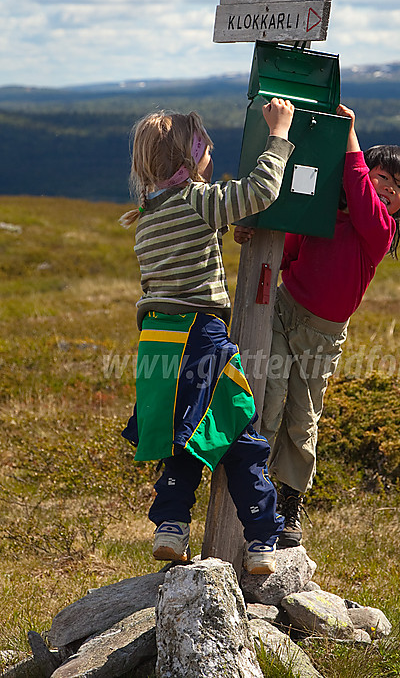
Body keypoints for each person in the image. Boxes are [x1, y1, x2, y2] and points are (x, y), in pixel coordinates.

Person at [119, 98, 295, 574]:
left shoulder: (148, 216)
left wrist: (222, 230)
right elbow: (260, 191)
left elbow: (177, 262)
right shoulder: (198, 200)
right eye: (207, 151)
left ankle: (171, 526)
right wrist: (278, 135)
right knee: (238, 431)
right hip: (201, 336)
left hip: (157, 340)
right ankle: (262, 540)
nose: (211, 159)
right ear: (189, 159)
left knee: (180, 438)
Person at [234, 104, 400, 547]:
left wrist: (349, 136)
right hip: (284, 312)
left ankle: (289, 507)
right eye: (384, 178)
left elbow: (359, 192)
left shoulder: (379, 229)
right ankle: (254, 497)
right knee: (268, 402)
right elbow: (286, 250)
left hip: (323, 334)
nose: (391, 189)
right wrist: (252, 232)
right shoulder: (322, 219)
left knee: (303, 419)